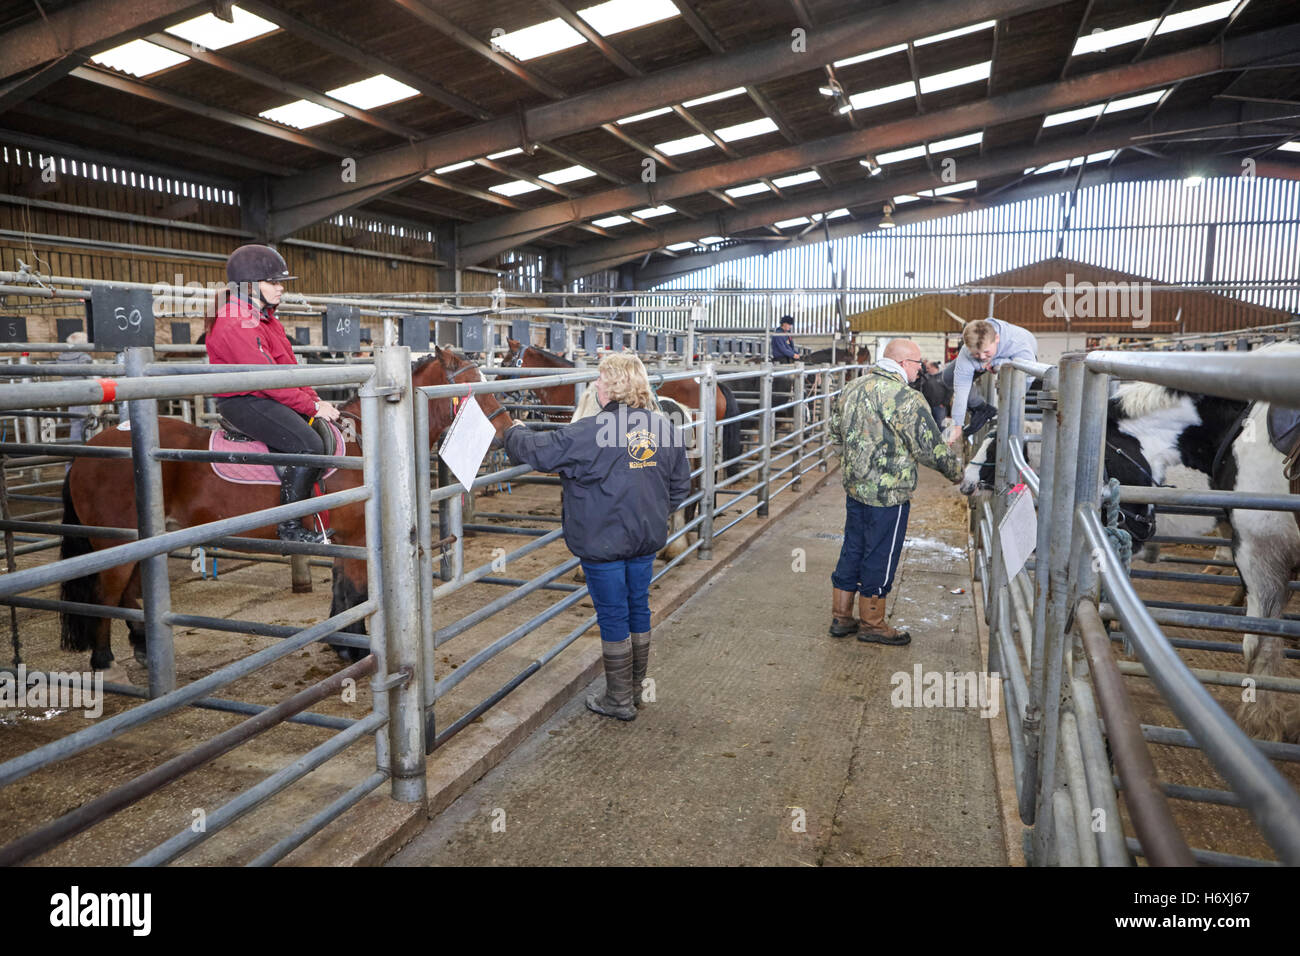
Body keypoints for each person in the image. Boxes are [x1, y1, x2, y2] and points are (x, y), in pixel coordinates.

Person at [504, 353, 690, 721]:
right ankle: (634, 690)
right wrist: (650, 511)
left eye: (601, 381)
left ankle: (618, 700)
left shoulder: (588, 432)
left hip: (602, 541)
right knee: (638, 605)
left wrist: (512, 430)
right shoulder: (664, 427)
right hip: (644, 539)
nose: (595, 386)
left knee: (613, 614)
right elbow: (680, 485)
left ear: (615, 387)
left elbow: (539, 451)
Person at [828, 339, 963, 645]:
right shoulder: (907, 399)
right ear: (904, 364)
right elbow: (930, 449)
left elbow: (834, 431)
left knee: (853, 547)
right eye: (918, 363)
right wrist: (957, 474)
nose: (920, 370)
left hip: (855, 488)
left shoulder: (853, 387)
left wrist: (852, 464)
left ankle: (841, 617)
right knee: (881, 553)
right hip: (889, 495)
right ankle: (873, 623)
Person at [205, 244, 341, 543]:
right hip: (245, 400)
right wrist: (311, 406)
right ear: (249, 286)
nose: (281, 289)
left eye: (281, 283)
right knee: (308, 445)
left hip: (266, 395)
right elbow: (267, 378)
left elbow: (288, 368)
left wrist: (314, 399)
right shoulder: (236, 320)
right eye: (274, 282)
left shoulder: (266, 318)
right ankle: (289, 527)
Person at [940, 318, 1038, 449]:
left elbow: (1030, 372)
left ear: (996, 338)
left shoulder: (1018, 344)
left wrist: (999, 363)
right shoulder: (967, 352)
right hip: (987, 362)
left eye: (985, 352)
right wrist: (957, 425)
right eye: (976, 353)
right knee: (947, 377)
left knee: (1011, 401)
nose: (981, 356)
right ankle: (981, 408)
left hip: (1016, 361)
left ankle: (1009, 442)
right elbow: (961, 391)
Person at [57, 331, 94, 448]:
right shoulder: (83, 357)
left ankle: (76, 453)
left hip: (70, 394)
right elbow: (91, 377)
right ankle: (78, 454)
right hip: (85, 394)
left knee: (76, 423)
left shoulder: (61, 357)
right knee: (86, 424)